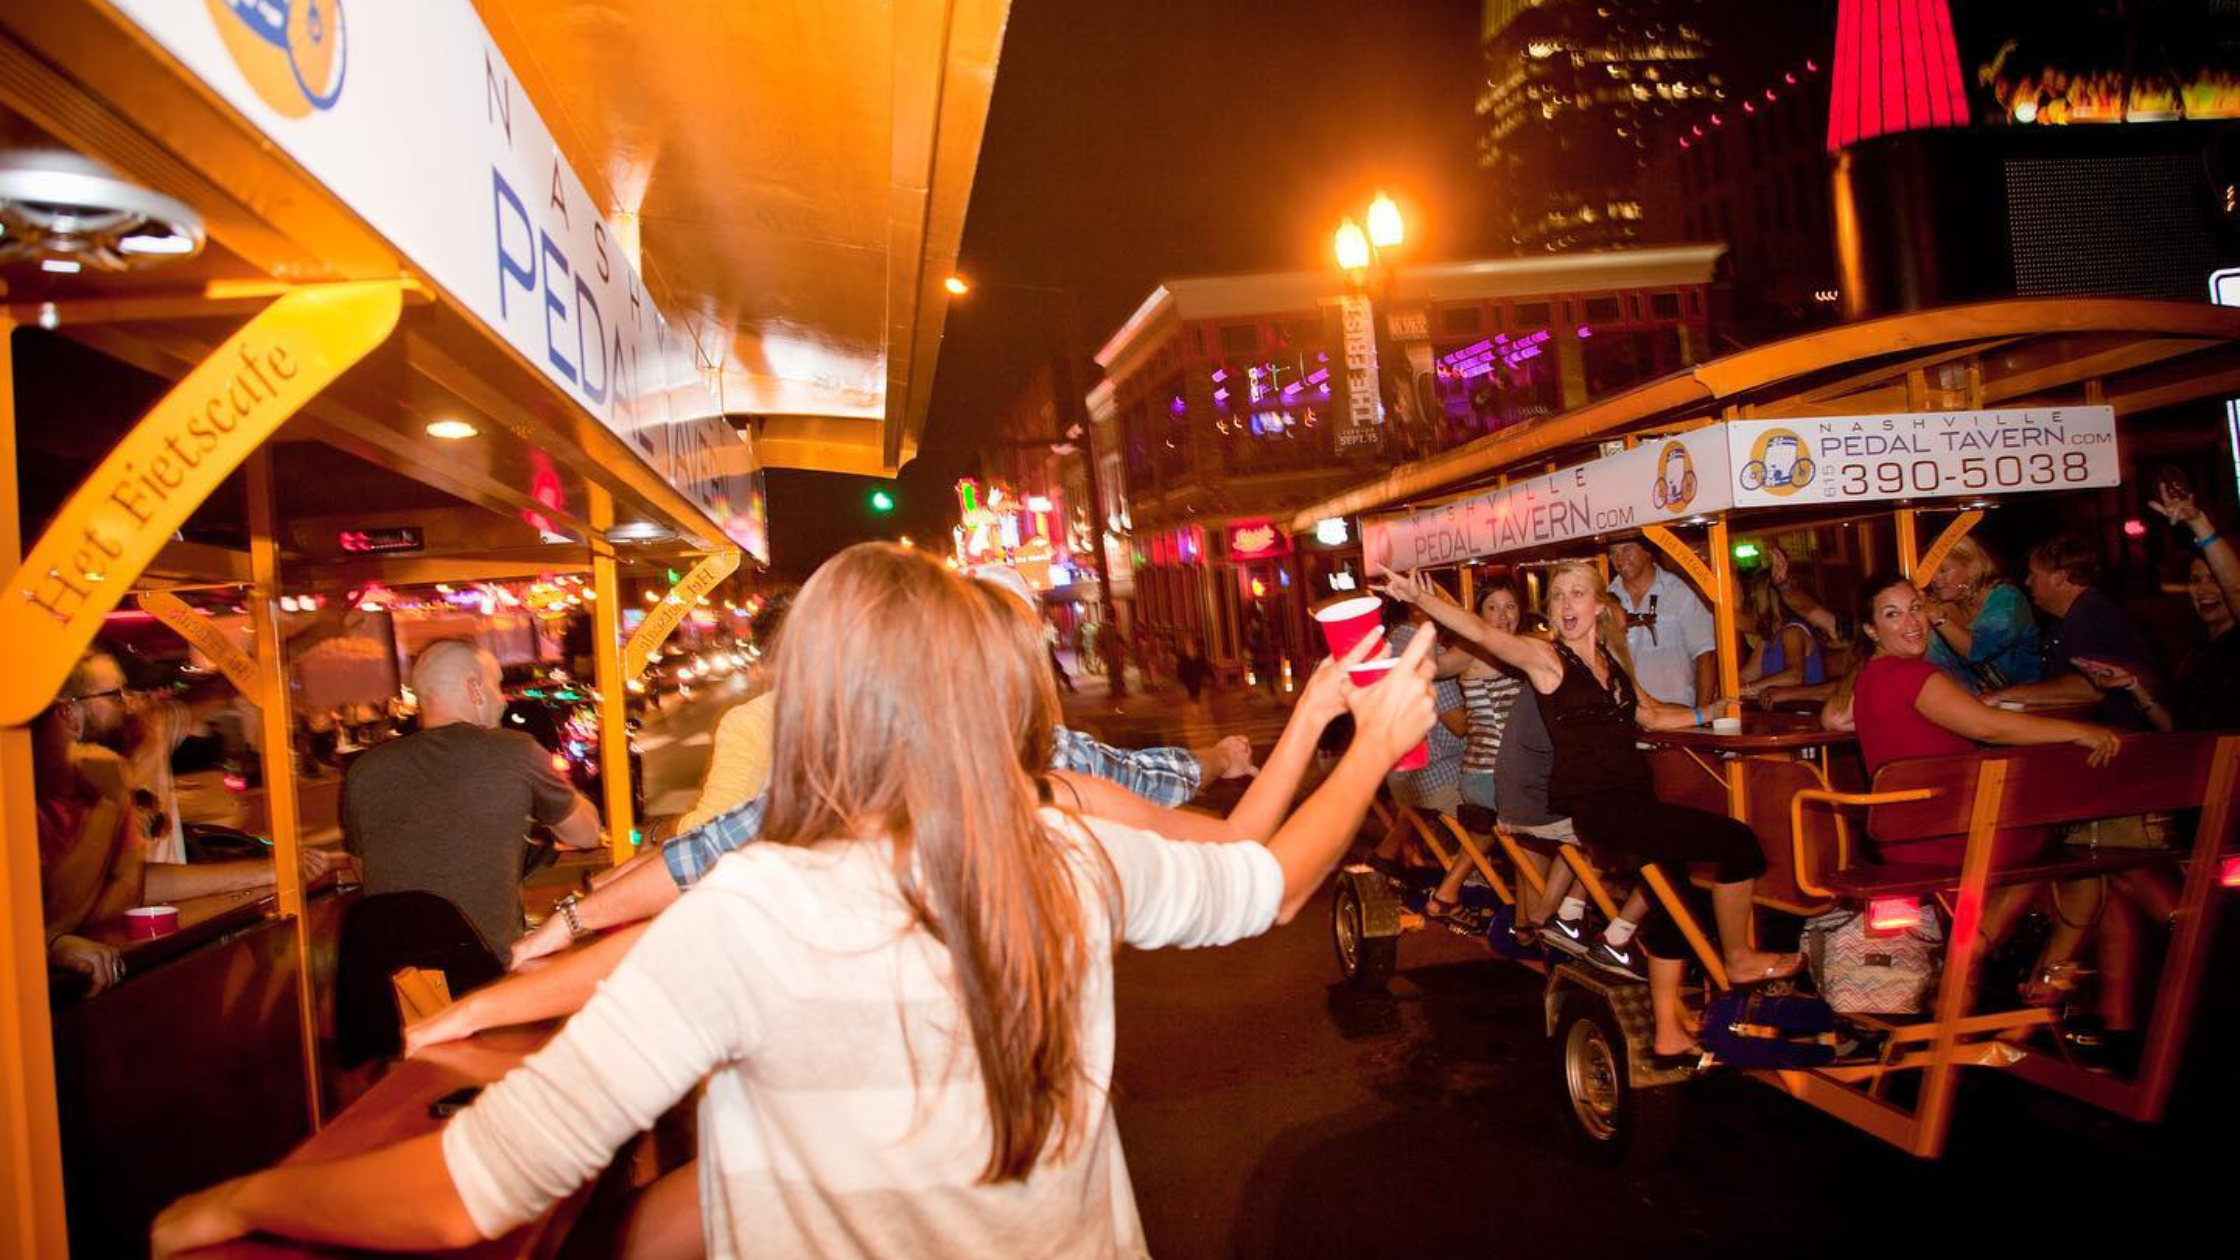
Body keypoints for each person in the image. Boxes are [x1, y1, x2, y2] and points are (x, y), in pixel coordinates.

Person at [152, 543, 1435, 1260]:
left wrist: (249, 1198)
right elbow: (1261, 883)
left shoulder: (760, 908)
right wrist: (1361, 741)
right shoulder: (1058, 850)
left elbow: (466, 1193)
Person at [512, 571, 1258, 969]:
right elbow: (1229, 850)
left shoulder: (1047, 777)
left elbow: (708, 852)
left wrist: (583, 909)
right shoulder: (1044, 776)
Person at [1384, 563, 1801, 1065]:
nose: (1565, 605)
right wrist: (1424, 600)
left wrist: (1710, 714)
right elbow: (1484, 635)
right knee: (1738, 842)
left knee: (1670, 890)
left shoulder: (1611, 661)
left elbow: (1649, 716)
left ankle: (1668, 1032)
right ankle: (1738, 958)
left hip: (1634, 799)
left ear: (1598, 606)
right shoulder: (1548, 661)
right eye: (1558, 596)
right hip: (1600, 808)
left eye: (1576, 594)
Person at [1821, 574, 2137, 1032]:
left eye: (1915, 608)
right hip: (1952, 837)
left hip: (1912, 835)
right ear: (1872, 630)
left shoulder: (1870, 677)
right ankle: (1983, 971)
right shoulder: (1914, 676)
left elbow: (1837, 717)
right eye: (1893, 614)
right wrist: (2080, 731)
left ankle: (1995, 982)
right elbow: (1990, 727)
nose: (1912, 622)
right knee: (2076, 864)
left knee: (2065, 864)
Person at [342, 641, 602, 954]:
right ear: (474, 688)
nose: (503, 701)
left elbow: (364, 868)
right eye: (497, 686)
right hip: (486, 971)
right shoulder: (515, 750)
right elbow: (586, 834)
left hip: (395, 979)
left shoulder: (364, 770)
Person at [1411, 578, 1529, 929]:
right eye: (1492, 608)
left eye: (1509, 607)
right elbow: (1434, 669)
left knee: (1496, 833)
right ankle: (1531, 924)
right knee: (1541, 835)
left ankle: (1446, 896)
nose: (1502, 616)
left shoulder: (1523, 647)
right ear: (1479, 615)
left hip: (1506, 772)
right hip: (1489, 772)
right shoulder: (1472, 649)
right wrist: (1428, 622)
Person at [2094, 484, 2240, 731]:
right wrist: (2132, 686)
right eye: (2195, 581)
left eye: (2214, 579)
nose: (2203, 591)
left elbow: (2236, 588)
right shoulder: (2197, 649)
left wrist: (2198, 523)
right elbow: (2178, 729)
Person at [1982, 535, 2160, 728]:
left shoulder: (2091, 618)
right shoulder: (2066, 620)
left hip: (2120, 738)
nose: (2027, 581)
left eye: (2033, 574)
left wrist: (2003, 697)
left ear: (2059, 577)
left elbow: (2087, 688)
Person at [1920, 536, 2041, 693]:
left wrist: (1938, 617)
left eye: (1943, 570)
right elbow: (1936, 666)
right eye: (1932, 572)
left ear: (1972, 568)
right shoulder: (1943, 607)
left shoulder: (2007, 599)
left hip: (2030, 702)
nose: (1935, 580)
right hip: (1981, 705)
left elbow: (1978, 650)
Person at [1606, 538, 1716, 705]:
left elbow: (1705, 656)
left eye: (1627, 549)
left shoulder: (1679, 592)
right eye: (1613, 553)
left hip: (1676, 712)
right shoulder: (1606, 598)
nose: (1619, 558)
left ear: (1648, 552)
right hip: (1626, 713)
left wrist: (1701, 717)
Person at [1736, 570, 1825, 700]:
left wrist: (1748, 689)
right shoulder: (1767, 639)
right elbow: (1745, 676)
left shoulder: (1793, 631)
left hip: (1807, 713)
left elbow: (1794, 676)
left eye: (1753, 600)